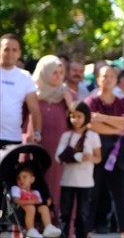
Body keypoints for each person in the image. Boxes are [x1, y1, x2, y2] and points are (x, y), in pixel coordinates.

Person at [85, 64, 124, 238]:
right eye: (104, 76)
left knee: (120, 193)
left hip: (117, 152)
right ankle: (87, 230)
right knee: (93, 192)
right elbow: (91, 125)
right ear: (98, 79)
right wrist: (116, 124)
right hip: (97, 149)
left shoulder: (122, 102)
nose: (107, 80)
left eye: (111, 76)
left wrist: (103, 119)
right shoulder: (91, 101)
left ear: (116, 80)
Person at [24, 55, 73, 207]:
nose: (58, 76)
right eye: (54, 72)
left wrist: (70, 101)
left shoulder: (66, 94)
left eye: (61, 72)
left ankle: (53, 225)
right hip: (34, 148)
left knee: (54, 189)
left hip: (58, 152)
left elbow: (78, 119)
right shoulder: (30, 93)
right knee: (29, 186)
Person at [55, 102, 101, 238]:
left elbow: (98, 158)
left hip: (85, 182)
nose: (75, 120)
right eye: (72, 116)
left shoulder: (93, 136)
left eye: (79, 116)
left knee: (83, 213)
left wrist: (90, 158)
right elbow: (58, 156)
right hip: (68, 181)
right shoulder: (66, 136)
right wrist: (76, 156)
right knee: (65, 213)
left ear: (86, 117)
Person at [1, 34, 41, 149]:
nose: (10, 53)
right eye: (6, 49)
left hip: (12, 138)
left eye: (14, 50)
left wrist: (37, 132)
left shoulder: (25, 77)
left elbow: (34, 108)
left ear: (19, 53)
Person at [10, 163, 62, 238]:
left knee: (44, 208)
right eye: (18, 178)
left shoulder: (35, 192)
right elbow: (16, 200)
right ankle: (30, 229)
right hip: (21, 211)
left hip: (35, 211)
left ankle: (48, 227)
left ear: (32, 179)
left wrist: (46, 203)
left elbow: (39, 202)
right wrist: (31, 202)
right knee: (31, 207)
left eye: (24, 177)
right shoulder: (16, 189)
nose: (21, 180)